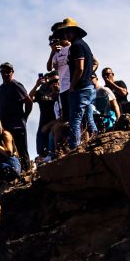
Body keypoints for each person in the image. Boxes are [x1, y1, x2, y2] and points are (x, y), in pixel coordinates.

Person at [57, 17, 97, 150]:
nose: (65, 34)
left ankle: (75, 149)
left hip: (81, 88)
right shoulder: (84, 45)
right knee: (88, 118)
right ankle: (97, 140)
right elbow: (93, 63)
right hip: (88, 86)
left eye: (68, 31)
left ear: (74, 31)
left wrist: (72, 86)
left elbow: (79, 68)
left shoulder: (76, 46)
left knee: (75, 120)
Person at [0, 62, 32, 166]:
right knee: (9, 151)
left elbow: (28, 101)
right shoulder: (1, 88)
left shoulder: (16, 85)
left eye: (8, 71)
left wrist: (25, 116)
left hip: (17, 124)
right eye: (3, 71)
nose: (5, 74)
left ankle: (27, 171)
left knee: (21, 150)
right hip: (5, 126)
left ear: (12, 72)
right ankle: (15, 171)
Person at [29, 71, 60, 158]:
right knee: (41, 150)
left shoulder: (58, 91)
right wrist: (37, 85)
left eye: (52, 81)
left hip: (55, 121)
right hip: (43, 122)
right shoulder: (40, 93)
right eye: (45, 79)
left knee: (53, 144)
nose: (47, 81)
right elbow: (30, 98)